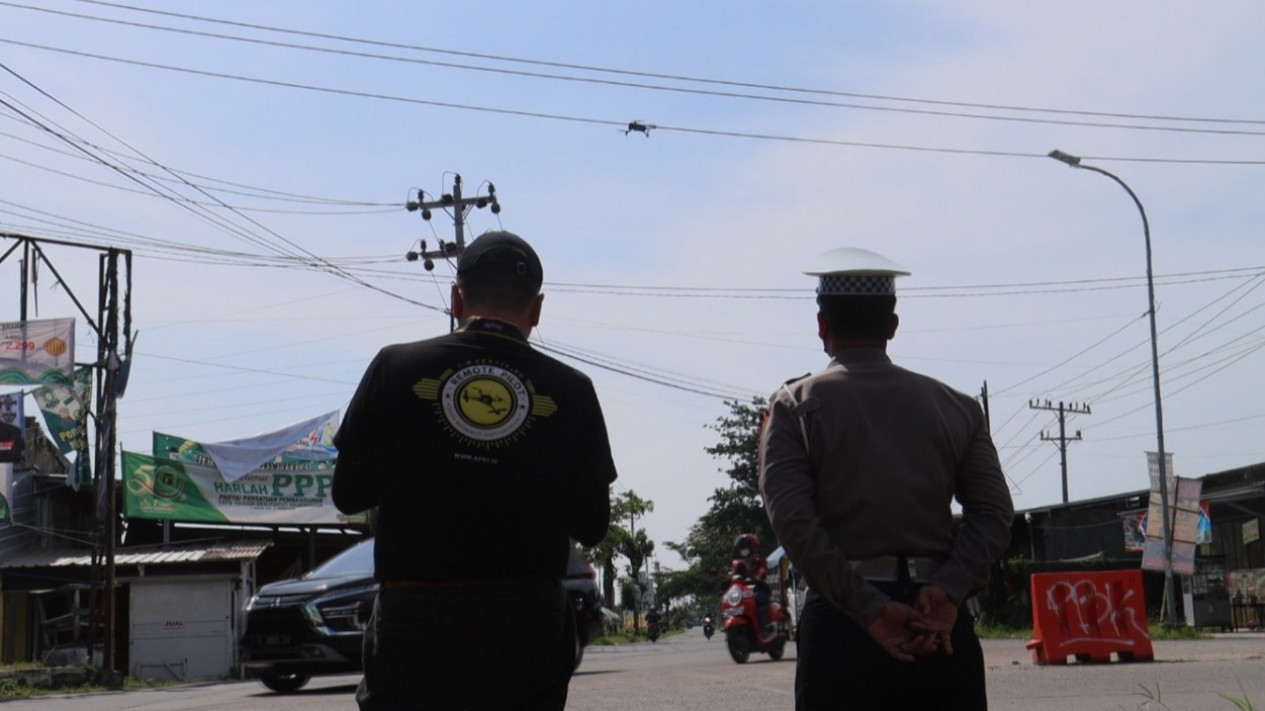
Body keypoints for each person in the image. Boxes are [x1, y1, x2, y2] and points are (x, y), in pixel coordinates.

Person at [332, 230, 618, 711]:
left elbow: (347, 494)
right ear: (537, 308)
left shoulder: (395, 367)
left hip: (414, 622)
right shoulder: (571, 389)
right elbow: (592, 523)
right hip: (526, 626)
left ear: (457, 298)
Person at [758, 247, 1014, 711]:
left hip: (842, 634)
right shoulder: (956, 407)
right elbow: (994, 515)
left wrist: (870, 609)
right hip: (938, 630)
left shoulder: (794, 407)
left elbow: (795, 527)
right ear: (892, 326)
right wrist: (950, 590)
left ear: (822, 325)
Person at [729, 533, 773, 637]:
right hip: (743, 592)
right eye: (742, 548)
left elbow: (763, 570)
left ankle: (765, 628)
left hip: (759, 589)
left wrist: (758, 576)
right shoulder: (738, 564)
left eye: (745, 548)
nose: (744, 551)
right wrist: (725, 582)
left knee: (758, 601)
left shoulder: (759, 561)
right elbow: (732, 575)